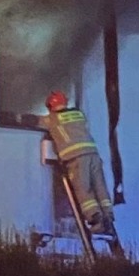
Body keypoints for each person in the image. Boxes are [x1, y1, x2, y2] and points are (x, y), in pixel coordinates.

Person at [39, 90, 114, 235]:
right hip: (93, 154)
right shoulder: (79, 114)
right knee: (100, 186)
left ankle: (95, 219)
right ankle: (108, 216)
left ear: (51, 106)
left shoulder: (52, 119)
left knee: (83, 189)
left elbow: (36, 121)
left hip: (76, 158)